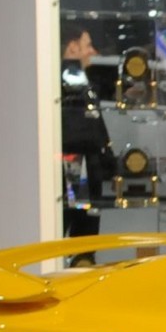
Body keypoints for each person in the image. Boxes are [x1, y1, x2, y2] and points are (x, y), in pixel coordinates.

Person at [59, 28, 114, 245]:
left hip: (81, 167)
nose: (94, 51)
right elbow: (83, 129)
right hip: (75, 168)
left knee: (82, 229)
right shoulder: (70, 80)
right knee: (80, 230)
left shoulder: (80, 81)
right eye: (88, 45)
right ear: (73, 47)